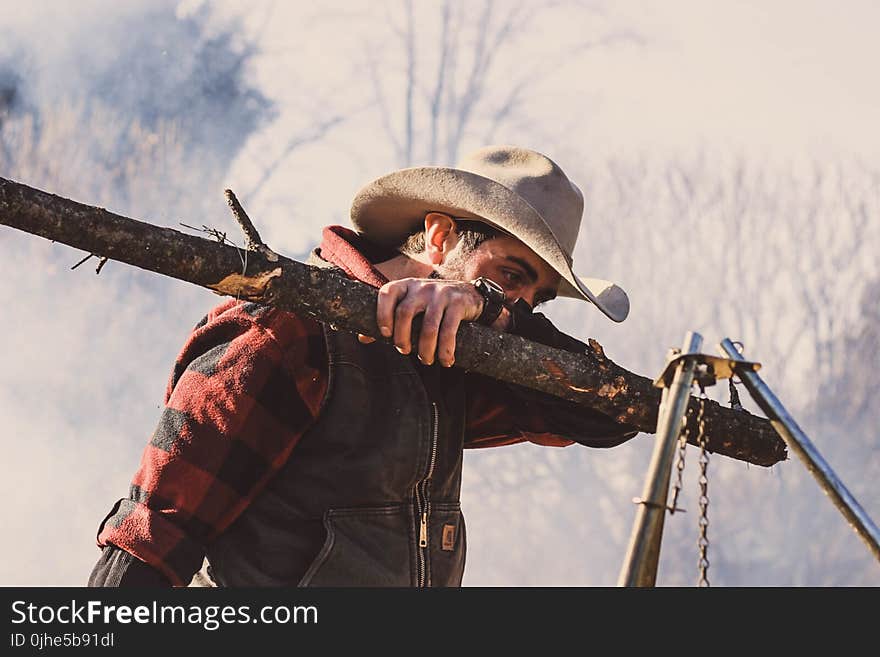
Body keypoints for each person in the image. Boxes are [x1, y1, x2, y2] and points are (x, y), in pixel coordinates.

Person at [88, 144, 639, 587]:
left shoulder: (454, 354)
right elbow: (156, 533)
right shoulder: (287, 332)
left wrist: (496, 309)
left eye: (532, 301)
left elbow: (609, 417)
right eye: (510, 276)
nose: (517, 305)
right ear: (441, 237)